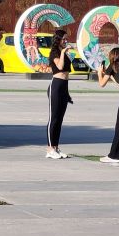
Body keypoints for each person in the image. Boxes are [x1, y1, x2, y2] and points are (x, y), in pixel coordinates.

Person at [46, 29, 75, 159]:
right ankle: (50, 148)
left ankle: (56, 147)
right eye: (64, 39)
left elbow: (67, 70)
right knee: (54, 118)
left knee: (60, 119)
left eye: (66, 39)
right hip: (56, 86)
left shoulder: (64, 52)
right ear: (58, 39)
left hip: (64, 87)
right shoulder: (54, 52)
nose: (66, 41)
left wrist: (67, 93)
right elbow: (60, 66)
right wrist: (63, 52)